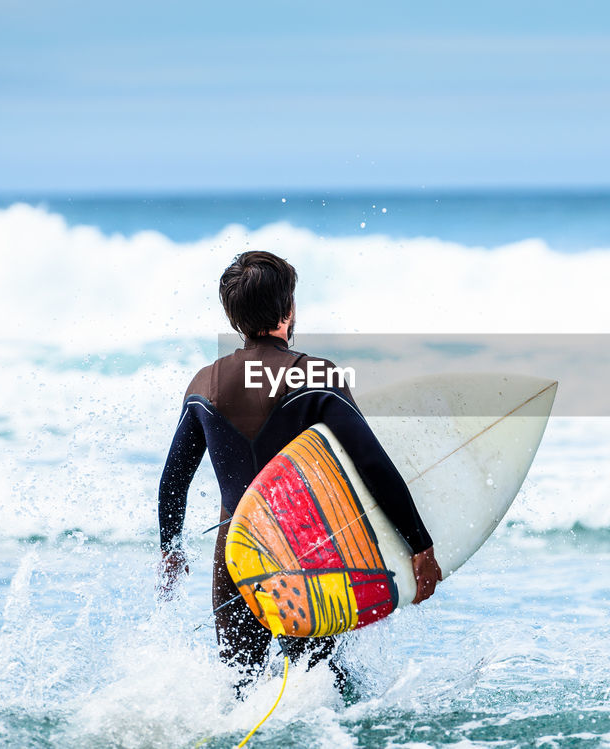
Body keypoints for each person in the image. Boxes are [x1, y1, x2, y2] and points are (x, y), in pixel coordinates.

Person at [155, 250, 443, 693]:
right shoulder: (315, 376)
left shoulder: (203, 384)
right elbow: (371, 464)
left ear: (233, 318)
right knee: (320, 689)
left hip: (234, 557)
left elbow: (174, 481)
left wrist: (170, 549)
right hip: (302, 555)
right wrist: (419, 545)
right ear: (288, 310)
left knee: (239, 693)